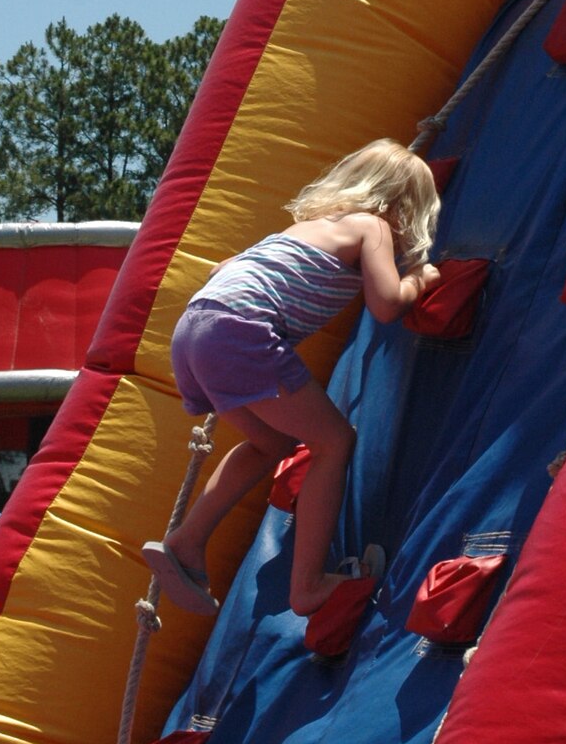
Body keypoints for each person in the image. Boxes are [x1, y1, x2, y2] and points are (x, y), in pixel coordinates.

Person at [142, 139, 441, 620]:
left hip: (196, 327)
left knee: (271, 444)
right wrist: (419, 280)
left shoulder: (303, 229)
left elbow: (224, 269)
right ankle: (309, 585)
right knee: (334, 441)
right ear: (403, 206)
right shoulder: (372, 226)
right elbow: (386, 305)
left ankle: (186, 540)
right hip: (241, 329)